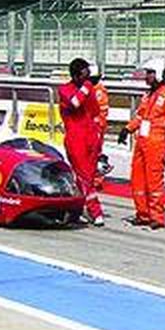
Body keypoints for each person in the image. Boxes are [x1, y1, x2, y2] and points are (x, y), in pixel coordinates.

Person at [118, 57, 165, 230]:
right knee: (137, 180)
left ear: (160, 74)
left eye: (150, 73)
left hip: (156, 143)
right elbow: (140, 117)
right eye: (147, 73)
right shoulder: (147, 96)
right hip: (141, 142)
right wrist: (127, 129)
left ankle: (157, 217)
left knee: (154, 182)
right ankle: (143, 214)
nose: (147, 77)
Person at [58, 57, 104, 226]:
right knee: (84, 176)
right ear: (76, 75)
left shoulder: (88, 88)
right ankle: (95, 211)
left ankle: (76, 210)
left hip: (90, 136)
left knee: (89, 178)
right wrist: (87, 86)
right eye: (84, 74)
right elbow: (75, 103)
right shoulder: (65, 89)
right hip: (75, 138)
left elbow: (95, 111)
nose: (88, 77)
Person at [88, 63, 112, 190]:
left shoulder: (99, 91)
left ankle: (97, 179)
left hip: (96, 127)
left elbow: (100, 113)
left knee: (95, 153)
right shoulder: (89, 89)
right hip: (90, 127)